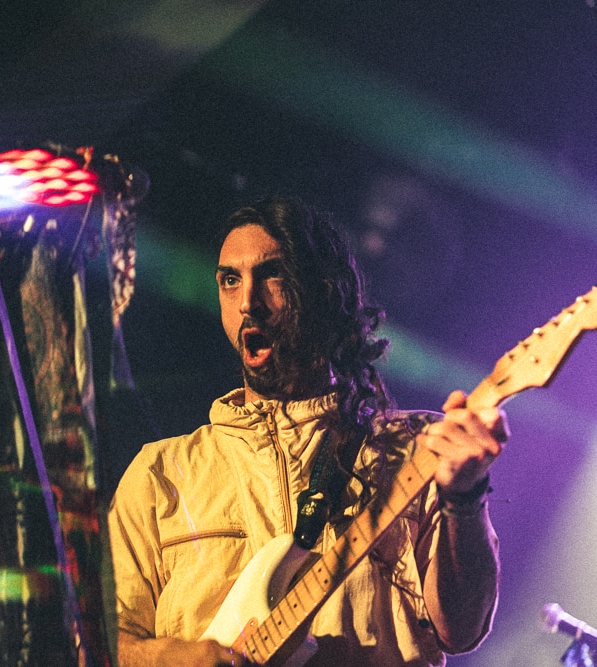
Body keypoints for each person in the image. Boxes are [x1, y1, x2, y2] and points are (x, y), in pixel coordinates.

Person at [107, 195, 507, 666]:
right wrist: (170, 658)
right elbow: (99, 643)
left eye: (272, 274)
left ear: (323, 291)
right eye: (230, 280)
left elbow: (461, 630)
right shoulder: (160, 474)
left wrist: (465, 498)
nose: (248, 302)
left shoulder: (417, 449)